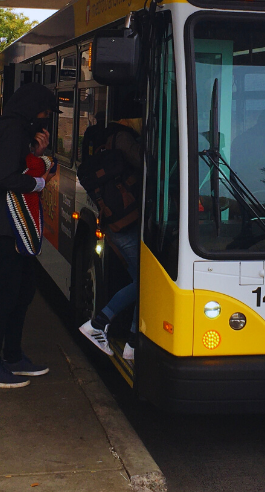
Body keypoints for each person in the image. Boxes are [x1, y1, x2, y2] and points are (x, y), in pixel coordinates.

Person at [0, 83, 58, 388]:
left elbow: (16, 167)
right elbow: (3, 177)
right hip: (5, 229)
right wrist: (40, 182)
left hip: (14, 229)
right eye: (44, 111)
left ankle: (12, 356)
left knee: (22, 293)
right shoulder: (11, 131)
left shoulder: (14, 129)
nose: (45, 118)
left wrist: (36, 153)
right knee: (3, 299)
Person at [78, 108, 143, 362]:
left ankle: (132, 345)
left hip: (114, 220)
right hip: (125, 223)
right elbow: (142, 161)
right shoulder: (124, 137)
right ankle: (98, 324)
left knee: (142, 283)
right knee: (144, 284)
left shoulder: (107, 138)